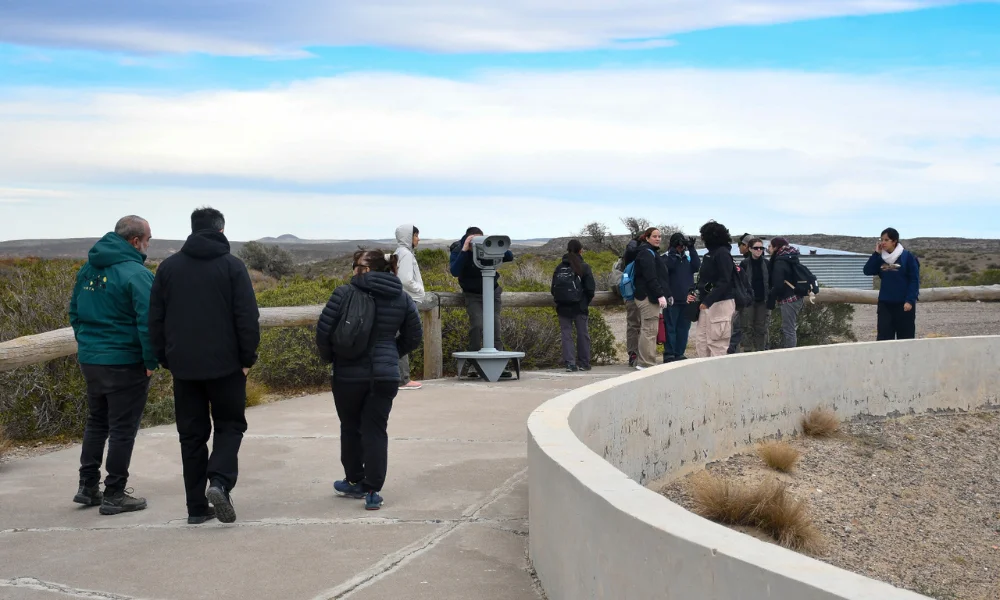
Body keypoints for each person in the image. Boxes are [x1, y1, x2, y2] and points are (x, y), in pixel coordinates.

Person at [149, 207, 260, 525]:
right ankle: (220, 482)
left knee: (191, 436)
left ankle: (196, 508)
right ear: (221, 231)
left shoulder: (168, 268)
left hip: (184, 367)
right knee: (230, 425)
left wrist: (165, 358)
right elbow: (247, 317)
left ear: (192, 230)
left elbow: (155, 318)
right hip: (226, 366)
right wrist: (246, 359)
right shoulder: (232, 267)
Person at [316, 251, 423, 511]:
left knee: (351, 427)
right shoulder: (402, 297)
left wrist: (333, 357)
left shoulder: (344, 293)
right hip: (385, 375)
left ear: (362, 269)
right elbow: (414, 336)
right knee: (376, 430)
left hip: (348, 375)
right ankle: (373, 491)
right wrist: (391, 354)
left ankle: (355, 480)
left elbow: (323, 331)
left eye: (354, 266)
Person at [69, 216, 157, 515]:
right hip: (125, 361)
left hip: (92, 359)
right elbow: (149, 322)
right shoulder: (136, 274)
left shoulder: (89, 269)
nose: (148, 245)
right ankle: (115, 493)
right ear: (135, 241)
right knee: (122, 429)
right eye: (148, 239)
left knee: (97, 422)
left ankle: (87, 486)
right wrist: (150, 360)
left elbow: (74, 311)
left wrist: (87, 343)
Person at [449, 227, 514, 378]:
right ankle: (474, 364)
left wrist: (495, 245)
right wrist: (466, 250)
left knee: (495, 326)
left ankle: (500, 364)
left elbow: (509, 256)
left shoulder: (486, 246)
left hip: (492, 291)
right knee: (477, 325)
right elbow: (455, 271)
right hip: (473, 294)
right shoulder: (458, 249)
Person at [688, 221, 736, 358]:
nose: (702, 239)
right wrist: (694, 293)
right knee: (702, 343)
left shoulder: (722, 254)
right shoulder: (711, 254)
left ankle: (719, 378)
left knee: (717, 344)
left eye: (703, 235)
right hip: (707, 304)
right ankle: (704, 376)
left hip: (720, 303)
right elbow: (704, 280)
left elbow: (725, 280)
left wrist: (708, 300)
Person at [863, 227, 920, 340]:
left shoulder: (907, 257)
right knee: (884, 339)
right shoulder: (880, 258)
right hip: (885, 304)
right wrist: (876, 253)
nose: (883, 242)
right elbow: (867, 271)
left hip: (904, 305)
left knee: (905, 339)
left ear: (894, 241)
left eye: (886, 240)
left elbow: (914, 280)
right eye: (881, 239)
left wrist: (909, 300)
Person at [551, 239, 596, 372]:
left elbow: (553, 289)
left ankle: (570, 363)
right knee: (582, 334)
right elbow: (590, 289)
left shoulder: (559, 267)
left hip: (562, 306)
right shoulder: (584, 266)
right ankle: (584, 362)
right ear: (580, 250)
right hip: (579, 306)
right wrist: (584, 302)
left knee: (566, 335)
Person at [632, 228, 669, 369]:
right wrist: (660, 294)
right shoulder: (646, 254)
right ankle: (646, 363)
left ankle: (647, 361)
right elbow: (651, 277)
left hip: (648, 296)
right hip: (647, 297)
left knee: (650, 330)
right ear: (647, 238)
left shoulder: (649, 252)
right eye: (654, 236)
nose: (658, 238)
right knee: (649, 330)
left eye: (659, 236)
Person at [393, 224, 425, 391]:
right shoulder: (405, 254)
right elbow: (405, 279)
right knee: (405, 339)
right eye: (416, 235)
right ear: (408, 237)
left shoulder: (399, 253)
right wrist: (419, 290)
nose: (418, 239)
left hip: (400, 300)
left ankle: (398, 377)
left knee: (398, 338)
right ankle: (402, 379)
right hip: (406, 300)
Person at [662, 232, 700, 362]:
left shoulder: (687, 258)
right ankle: (669, 353)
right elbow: (669, 267)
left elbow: (697, 266)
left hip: (686, 299)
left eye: (682, 245)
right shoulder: (666, 257)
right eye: (679, 245)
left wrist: (692, 248)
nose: (681, 247)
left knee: (683, 328)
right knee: (670, 328)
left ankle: (679, 352)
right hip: (672, 299)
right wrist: (673, 251)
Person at [766, 237, 805, 349]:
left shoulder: (780, 262)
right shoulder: (791, 257)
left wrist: (771, 299)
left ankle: (790, 355)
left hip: (789, 299)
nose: (768, 249)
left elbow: (778, 285)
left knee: (788, 329)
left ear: (776, 247)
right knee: (790, 327)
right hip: (797, 297)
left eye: (770, 246)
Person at [739, 237, 771, 352]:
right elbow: (740, 282)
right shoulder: (744, 263)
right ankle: (748, 351)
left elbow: (771, 282)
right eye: (756, 248)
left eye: (761, 248)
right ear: (750, 249)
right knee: (747, 327)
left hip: (763, 300)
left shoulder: (767, 263)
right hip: (749, 301)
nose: (759, 250)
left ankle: (760, 352)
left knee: (761, 328)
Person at [727, 233, 752, 354]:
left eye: (740, 245)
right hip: (747, 299)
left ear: (746, 246)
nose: (739, 248)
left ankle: (734, 351)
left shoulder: (745, 263)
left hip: (744, 300)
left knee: (738, 328)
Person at [620, 236, 642, 368]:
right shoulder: (643, 253)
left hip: (629, 295)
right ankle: (642, 354)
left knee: (632, 325)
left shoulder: (627, 257)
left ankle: (632, 354)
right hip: (640, 295)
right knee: (645, 326)